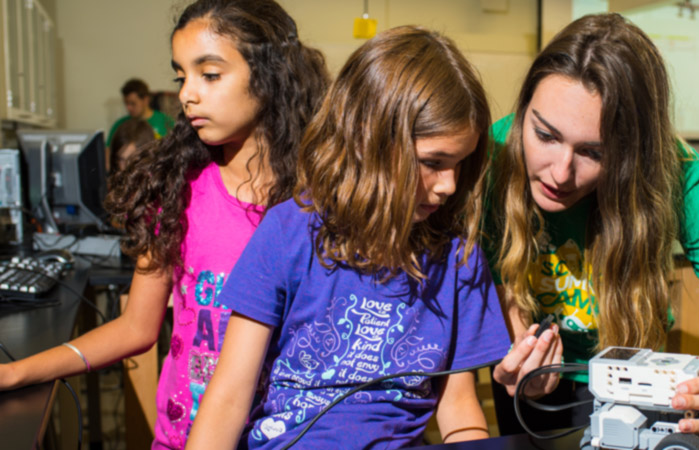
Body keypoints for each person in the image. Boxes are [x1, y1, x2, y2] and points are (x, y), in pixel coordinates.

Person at [0, 1, 329, 448]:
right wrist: (19, 371)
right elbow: (136, 328)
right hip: (182, 436)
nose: (186, 94)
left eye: (209, 75)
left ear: (270, 75)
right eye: (181, 77)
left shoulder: (318, 203)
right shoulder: (177, 192)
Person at [487, 14, 699, 450]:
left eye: (593, 152)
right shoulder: (492, 159)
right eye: (544, 135)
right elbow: (502, 311)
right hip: (531, 390)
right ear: (524, 110)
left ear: (632, 153)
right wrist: (521, 363)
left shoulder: (680, 178)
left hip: (631, 389)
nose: (561, 173)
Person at [186, 26, 509, 449]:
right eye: (433, 162)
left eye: (460, 165)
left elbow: (460, 404)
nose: (449, 185)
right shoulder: (287, 232)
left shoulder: (459, 259)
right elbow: (228, 396)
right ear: (369, 144)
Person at [107, 78, 176, 146]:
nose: (128, 108)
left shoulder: (166, 121)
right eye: (126, 103)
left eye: (133, 103)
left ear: (146, 100)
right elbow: (108, 153)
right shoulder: (120, 125)